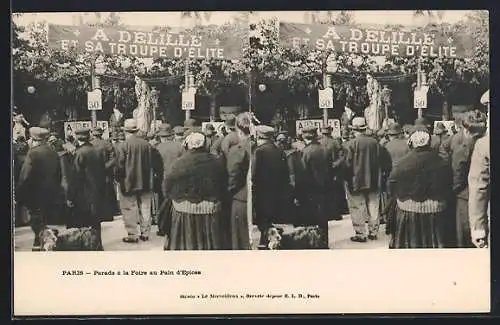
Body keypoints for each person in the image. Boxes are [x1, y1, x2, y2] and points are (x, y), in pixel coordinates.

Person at [387, 130, 452, 249]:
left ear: (411, 143)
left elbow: (391, 184)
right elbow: (449, 185)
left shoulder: (401, 163)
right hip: (436, 210)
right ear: (429, 143)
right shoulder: (442, 162)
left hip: (408, 211)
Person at [164, 132, 227, 250]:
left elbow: (167, 185)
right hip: (210, 211)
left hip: (184, 212)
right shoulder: (216, 162)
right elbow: (223, 185)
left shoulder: (179, 163)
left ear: (188, 145)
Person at [343, 117, 390, 243]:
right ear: (364, 129)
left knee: (357, 207)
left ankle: (360, 233)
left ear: (353, 130)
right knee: (373, 206)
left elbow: (347, 164)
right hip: (374, 180)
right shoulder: (375, 143)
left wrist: (346, 178)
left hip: (355, 181)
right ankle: (373, 231)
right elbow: (385, 161)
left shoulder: (350, 144)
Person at [15, 127, 62, 251]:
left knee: (35, 220)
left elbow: (25, 175)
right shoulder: (53, 152)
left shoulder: (33, 153)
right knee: (43, 217)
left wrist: (19, 192)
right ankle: (38, 243)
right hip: (50, 193)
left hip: (34, 194)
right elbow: (59, 174)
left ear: (34, 139)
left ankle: (48, 236)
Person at [115, 119, 158, 243]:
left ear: (125, 131)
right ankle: (145, 233)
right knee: (145, 208)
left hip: (128, 182)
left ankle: (132, 234)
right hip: (145, 182)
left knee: (129, 208)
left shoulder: (122, 146)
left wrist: (118, 179)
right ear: (136, 130)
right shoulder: (147, 145)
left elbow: (119, 166)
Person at [67, 127, 108, 250]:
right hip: (97, 190)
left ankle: (86, 245)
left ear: (77, 137)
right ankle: (97, 244)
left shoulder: (80, 153)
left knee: (83, 222)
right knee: (96, 221)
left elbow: (75, 177)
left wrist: (70, 196)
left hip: (83, 193)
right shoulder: (97, 150)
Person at [451, 110, 487, 248]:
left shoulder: (462, 150)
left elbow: (457, 178)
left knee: (465, 239)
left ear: (466, 130)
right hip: (485, 198)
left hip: (465, 198)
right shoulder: (486, 145)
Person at [252, 125, 290, 248]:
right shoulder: (279, 150)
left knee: (262, 218)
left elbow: (254, 172)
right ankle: (268, 239)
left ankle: (267, 240)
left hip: (262, 190)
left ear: (260, 136)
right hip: (276, 190)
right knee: (268, 217)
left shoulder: (259, 151)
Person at [296, 125, 330, 248]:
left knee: (312, 218)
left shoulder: (306, 152)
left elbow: (302, 173)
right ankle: (324, 242)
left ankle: (315, 242)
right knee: (323, 217)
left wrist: (299, 193)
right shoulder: (324, 149)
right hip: (324, 188)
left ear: (305, 137)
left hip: (310, 190)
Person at [227, 113, 253, 249]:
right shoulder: (259, 147)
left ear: (238, 129)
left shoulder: (238, 150)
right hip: (259, 199)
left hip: (241, 198)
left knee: (241, 241)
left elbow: (233, 176)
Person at [155, 123, 183, 237]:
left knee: (162, 203)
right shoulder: (179, 146)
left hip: (163, 179)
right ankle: (174, 227)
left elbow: (155, 166)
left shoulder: (158, 148)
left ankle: (162, 227)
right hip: (177, 178)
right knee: (175, 203)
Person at [90, 126, 119, 221]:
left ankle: (97, 215)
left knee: (95, 194)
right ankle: (108, 214)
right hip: (106, 173)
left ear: (93, 134)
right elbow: (113, 159)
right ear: (101, 134)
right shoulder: (107, 144)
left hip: (93, 174)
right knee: (107, 194)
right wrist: (105, 167)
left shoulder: (90, 145)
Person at [276, 132, 304, 226]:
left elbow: (291, 171)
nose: (280, 144)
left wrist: (293, 183)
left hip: (291, 181)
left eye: (282, 141)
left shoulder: (289, 155)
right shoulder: (295, 152)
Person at [318, 125, 345, 221]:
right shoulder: (335, 142)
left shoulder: (319, 142)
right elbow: (342, 157)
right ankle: (335, 213)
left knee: (324, 193)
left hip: (322, 172)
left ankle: (326, 213)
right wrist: (335, 165)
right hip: (334, 171)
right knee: (334, 193)